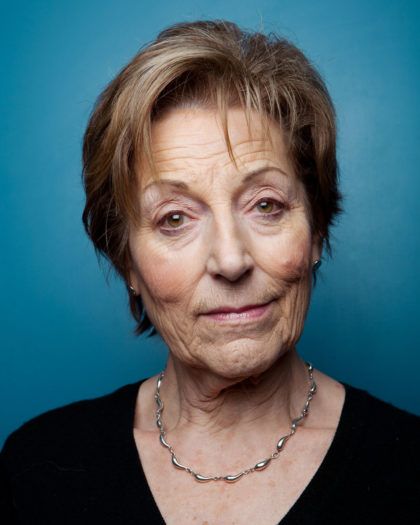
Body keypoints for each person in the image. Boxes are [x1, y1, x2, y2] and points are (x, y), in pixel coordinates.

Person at [1, 20, 419, 525]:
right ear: (127, 261)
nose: (230, 260)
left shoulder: (410, 470)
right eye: (174, 218)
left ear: (317, 232)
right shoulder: (38, 470)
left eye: (266, 205)